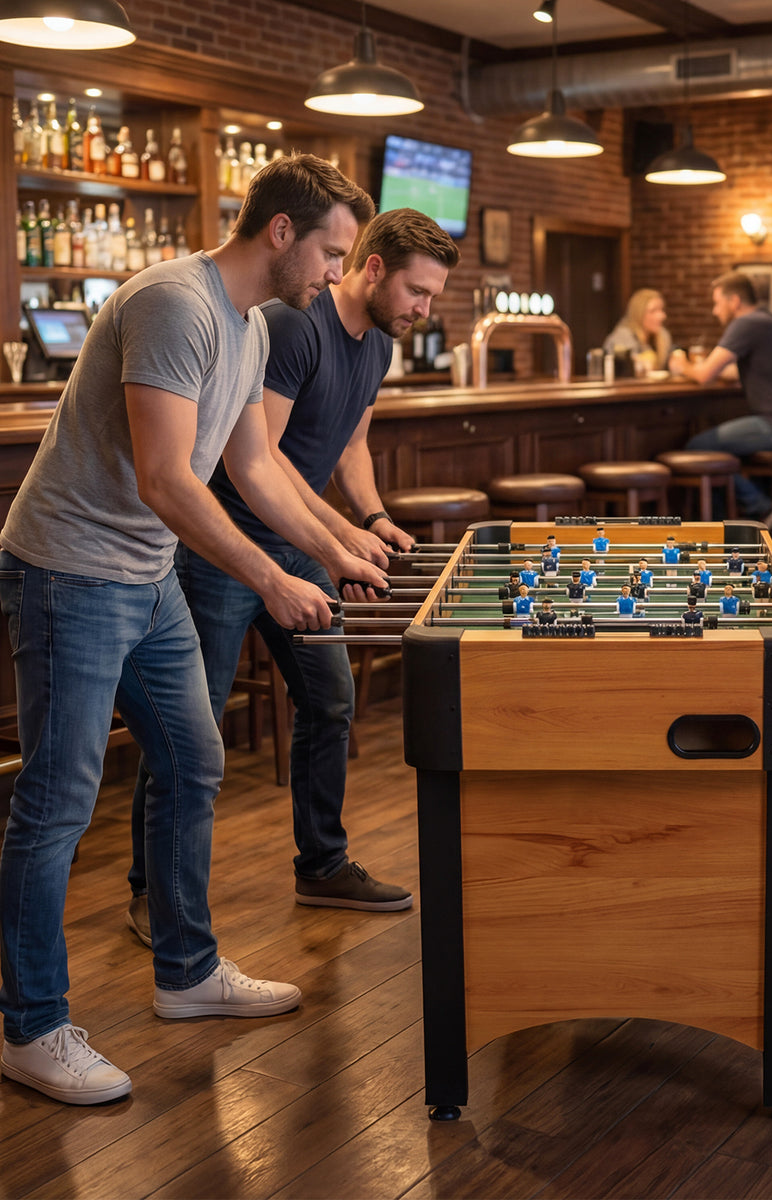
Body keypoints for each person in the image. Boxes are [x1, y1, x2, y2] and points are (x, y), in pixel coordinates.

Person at [0, 153, 389, 1106]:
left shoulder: (256, 323)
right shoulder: (175, 301)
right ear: (283, 232)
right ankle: (32, 1026)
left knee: (193, 756)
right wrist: (270, 577)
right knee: (58, 799)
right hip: (70, 569)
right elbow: (167, 479)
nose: (338, 276)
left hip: (145, 574)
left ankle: (187, 972)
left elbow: (254, 468)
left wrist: (333, 545)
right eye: (333, 254)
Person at [122, 207, 460, 941]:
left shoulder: (377, 346)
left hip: (295, 542)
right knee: (192, 727)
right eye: (418, 292)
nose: (424, 310)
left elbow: (351, 449)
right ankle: (152, 891)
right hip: (223, 546)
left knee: (330, 702)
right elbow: (258, 462)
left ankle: (322, 865)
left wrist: (369, 518)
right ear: (375, 268)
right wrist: (338, 539)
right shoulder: (296, 325)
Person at [670, 272, 772, 527]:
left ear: (735, 301)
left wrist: (680, 363)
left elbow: (705, 374)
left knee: (699, 447)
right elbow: (732, 372)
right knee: (718, 452)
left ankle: (758, 509)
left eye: (717, 303)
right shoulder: (767, 320)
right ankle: (741, 519)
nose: (715, 311)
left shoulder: (746, 323)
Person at [603, 288, 672, 371]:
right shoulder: (623, 337)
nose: (662, 316)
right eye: (653, 311)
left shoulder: (663, 336)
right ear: (638, 313)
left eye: (661, 310)